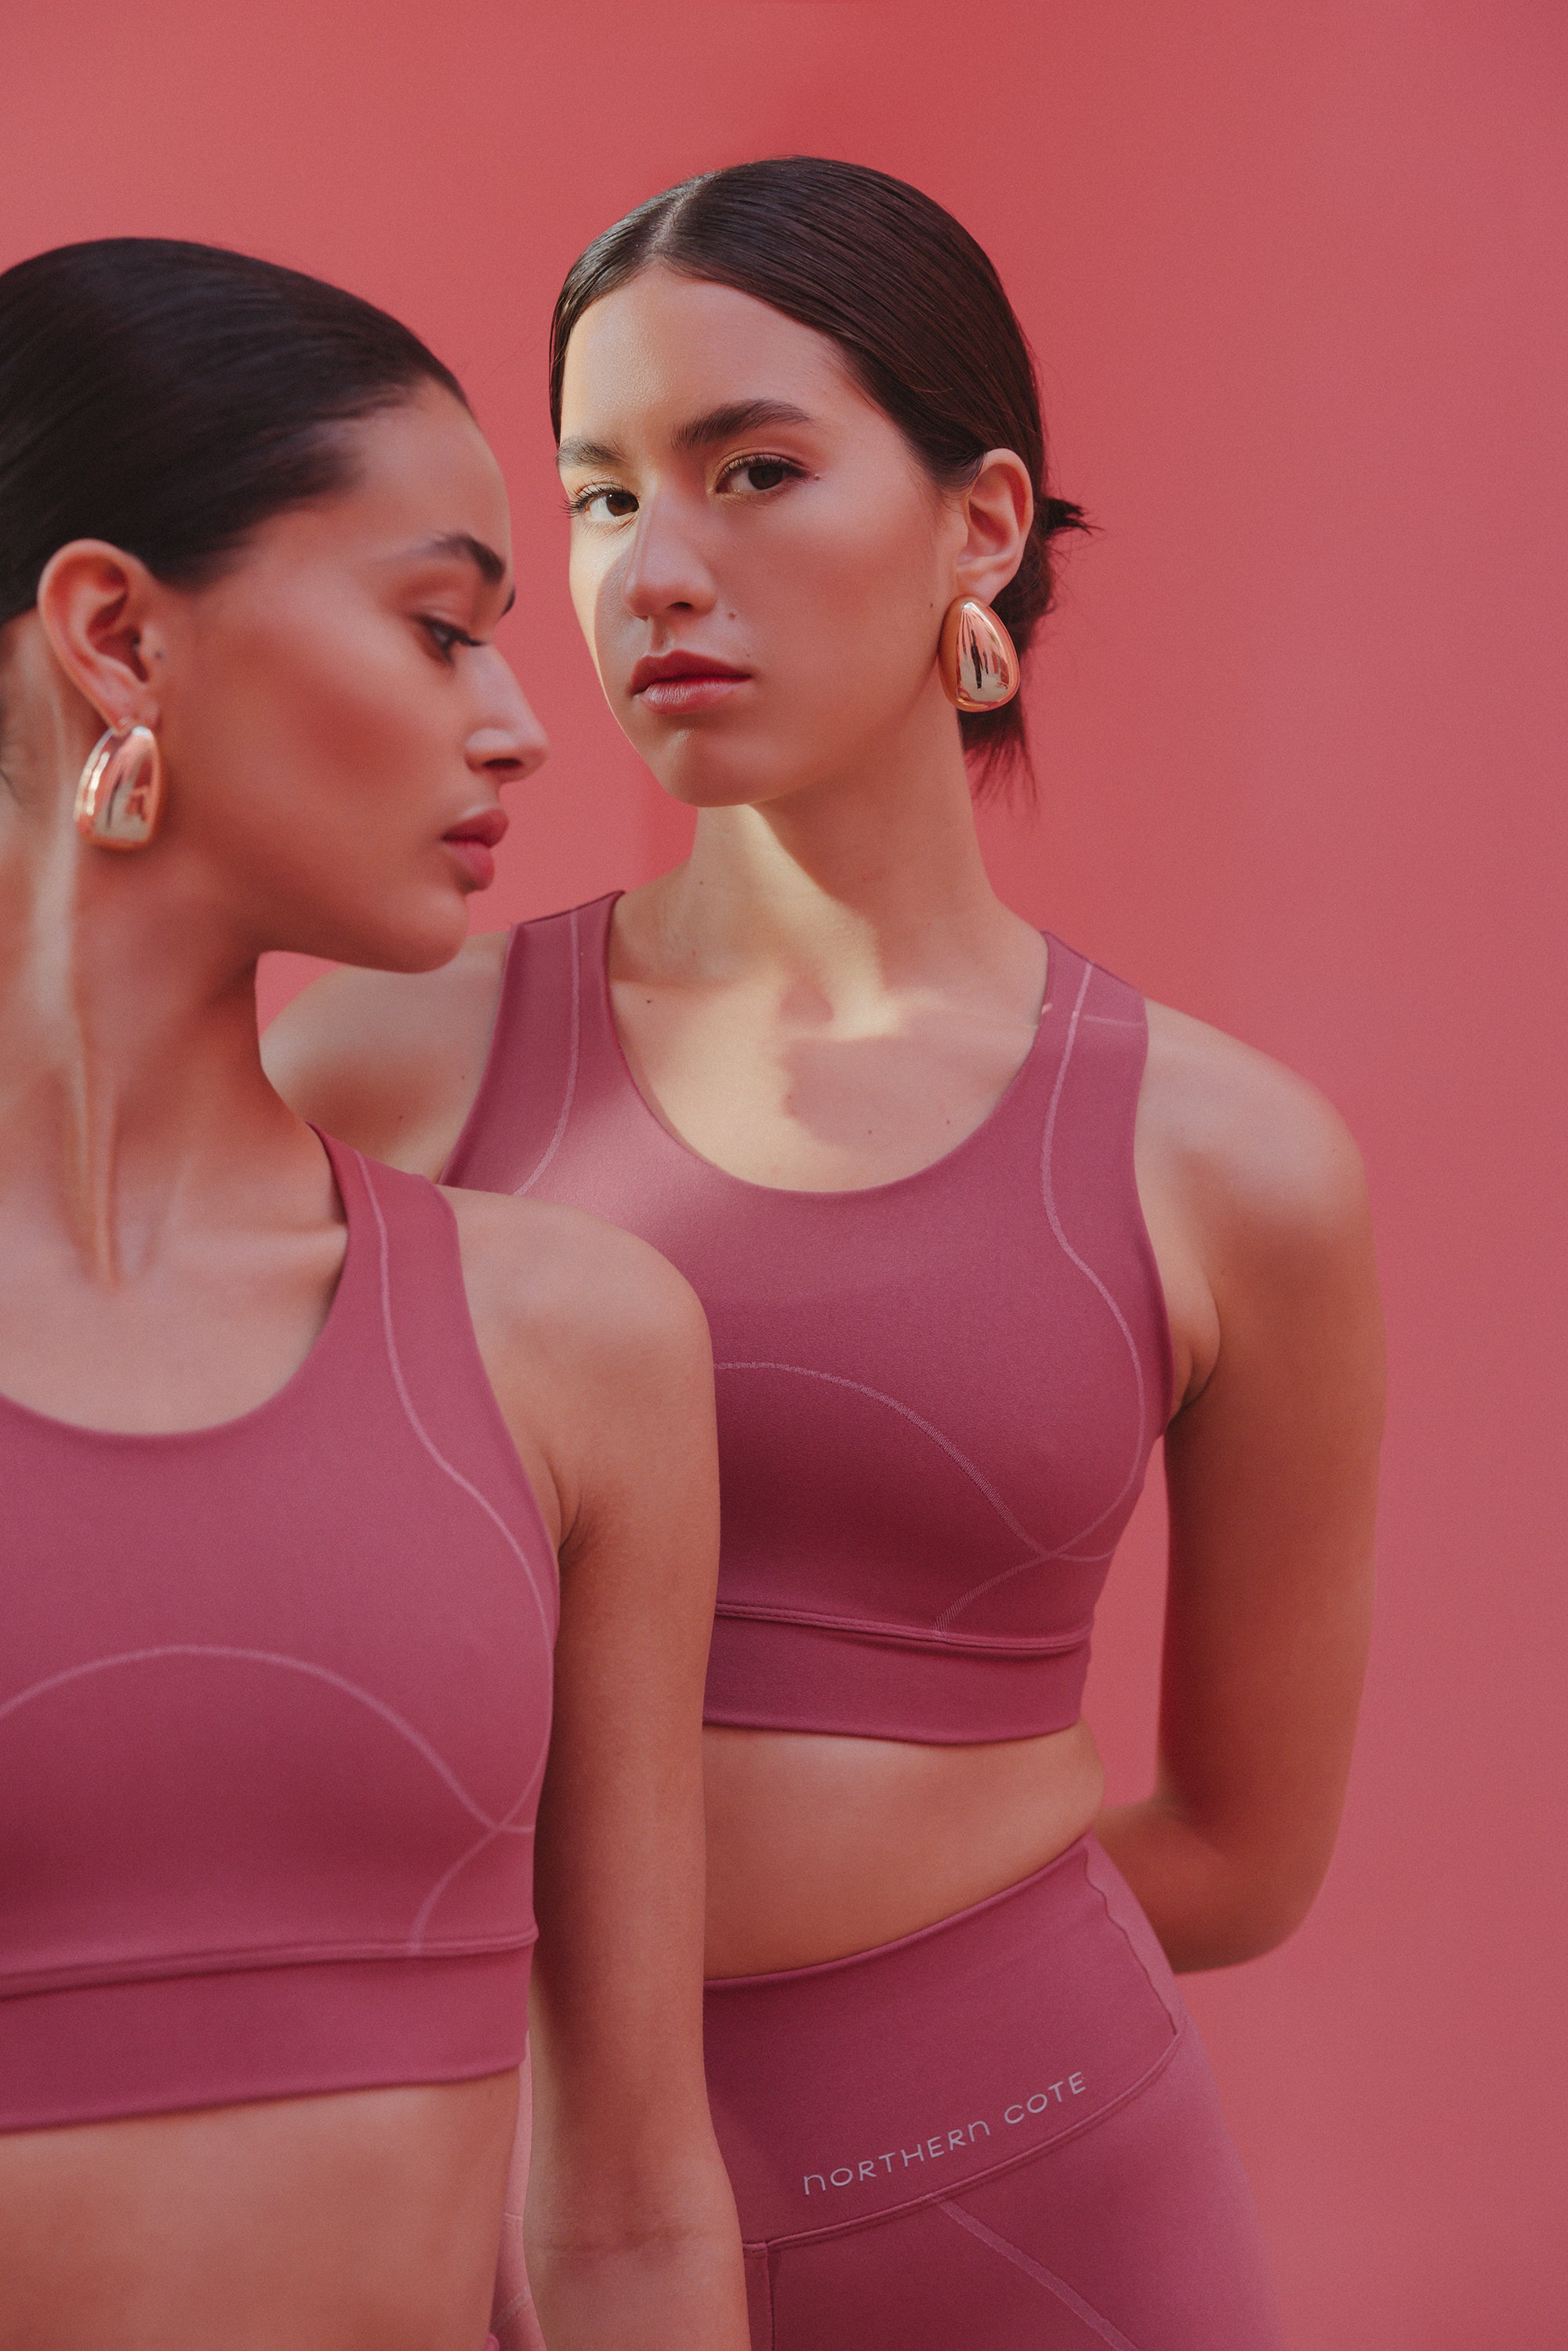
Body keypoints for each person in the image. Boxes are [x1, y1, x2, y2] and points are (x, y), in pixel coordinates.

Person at [270, 159, 1385, 2350]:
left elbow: (1249, 1855)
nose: (653, 569)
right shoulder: (376, 1077)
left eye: (752, 467)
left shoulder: (1232, 1160)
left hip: (1050, 2209)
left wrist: (904, 2047)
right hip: (504, 2242)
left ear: (984, 524)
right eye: (596, 500)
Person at [0, 237, 750, 2351]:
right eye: (439, 629)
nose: (525, 725)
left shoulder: (576, 1347)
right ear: (116, 633)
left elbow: (625, 2203)